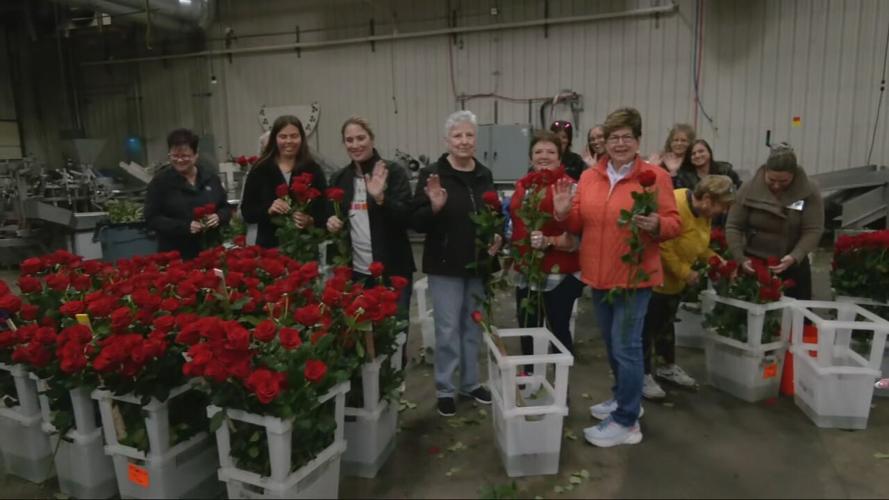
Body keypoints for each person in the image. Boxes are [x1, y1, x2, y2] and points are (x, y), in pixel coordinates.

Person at [552, 107, 681, 447]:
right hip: (598, 275)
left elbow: (673, 223)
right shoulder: (590, 177)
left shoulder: (655, 178)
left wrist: (657, 225)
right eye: (613, 137)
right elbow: (578, 223)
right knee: (612, 343)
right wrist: (564, 213)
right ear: (604, 143)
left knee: (626, 348)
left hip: (635, 277)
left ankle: (626, 420)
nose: (620, 143)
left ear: (638, 141)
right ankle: (624, 397)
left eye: (627, 137)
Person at [411, 110, 503, 417]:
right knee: (448, 329)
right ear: (447, 140)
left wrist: (498, 236)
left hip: (477, 264)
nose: (464, 141)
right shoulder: (433, 174)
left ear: (476, 139)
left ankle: (471, 383)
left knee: (473, 326)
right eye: (458, 136)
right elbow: (417, 221)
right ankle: (445, 388)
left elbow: (494, 215)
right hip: (445, 264)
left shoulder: (484, 174)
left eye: (469, 135)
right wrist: (434, 207)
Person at [640, 175, 736, 399]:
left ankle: (666, 366)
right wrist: (685, 272)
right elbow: (664, 246)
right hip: (655, 278)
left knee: (666, 324)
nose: (722, 212)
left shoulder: (702, 213)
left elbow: (698, 244)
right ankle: (642, 375)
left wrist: (716, 260)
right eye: (721, 206)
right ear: (707, 199)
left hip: (675, 283)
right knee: (646, 328)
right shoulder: (676, 204)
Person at [326, 116, 415, 341]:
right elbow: (334, 215)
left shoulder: (393, 172)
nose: (355, 145)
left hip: (393, 270)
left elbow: (407, 218)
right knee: (363, 336)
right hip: (357, 272)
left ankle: (397, 375)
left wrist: (381, 198)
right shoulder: (340, 178)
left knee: (396, 335)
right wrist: (332, 222)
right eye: (349, 140)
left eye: (360, 138)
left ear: (372, 139)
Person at [510, 130, 584, 359]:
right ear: (531, 157)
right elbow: (516, 223)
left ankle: (562, 389)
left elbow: (578, 237)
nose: (544, 156)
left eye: (550, 151)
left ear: (560, 157)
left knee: (558, 331)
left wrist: (549, 241)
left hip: (559, 275)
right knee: (527, 330)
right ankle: (529, 385)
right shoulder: (523, 186)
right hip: (526, 272)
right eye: (538, 151)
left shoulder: (570, 187)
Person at [725, 143, 824, 300]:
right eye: (771, 180)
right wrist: (740, 258)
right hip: (754, 263)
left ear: (794, 175)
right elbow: (733, 226)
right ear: (765, 171)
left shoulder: (809, 190)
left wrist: (795, 256)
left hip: (792, 262)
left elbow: (813, 229)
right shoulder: (748, 188)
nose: (777, 186)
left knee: (798, 318)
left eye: (784, 182)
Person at [240, 115, 327, 249]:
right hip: (270, 249)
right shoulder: (260, 169)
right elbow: (247, 212)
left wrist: (310, 220)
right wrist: (268, 210)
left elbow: (325, 209)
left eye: (294, 136)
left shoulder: (313, 169)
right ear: (275, 139)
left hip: (305, 248)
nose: (289, 141)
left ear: (302, 138)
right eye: (283, 136)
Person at [144, 128, 231, 260]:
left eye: (185, 156)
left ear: (196, 155)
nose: (179, 160)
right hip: (176, 255)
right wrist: (184, 227)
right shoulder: (160, 183)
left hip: (211, 250)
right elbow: (152, 218)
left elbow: (225, 207)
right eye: (174, 156)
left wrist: (218, 217)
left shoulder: (210, 178)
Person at [675, 139, 741, 190]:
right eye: (693, 154)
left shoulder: (725, 171)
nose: (697, 155)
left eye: (701, 151)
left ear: (709, 152)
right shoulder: (684, 177)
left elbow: (738, 190)